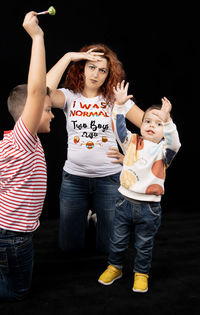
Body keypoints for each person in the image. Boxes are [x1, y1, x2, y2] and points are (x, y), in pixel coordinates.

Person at [47, 44, 144, 253]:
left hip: (109, 178)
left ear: (109, 75)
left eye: (102, 70)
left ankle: (97, 219)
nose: (96, 74)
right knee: (69, 249)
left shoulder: (114, 100)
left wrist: (130, 156)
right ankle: (91, 219)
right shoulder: (69, 96)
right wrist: (68, 56)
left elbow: (148, 125)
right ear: (81, 67)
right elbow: (42, 92)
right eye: (91, 67)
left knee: (109, 249)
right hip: (74, 178)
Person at [98, 81, 181, 292]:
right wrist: (118, 105)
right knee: (117, 241)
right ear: (141, 124)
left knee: (144, 246)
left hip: (149, 209)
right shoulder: (132, 142)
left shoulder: (164, 152)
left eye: (158, 123)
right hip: (124, 202)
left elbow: (175, 143)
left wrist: (168, 120)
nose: (152, 125)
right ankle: (115, 267)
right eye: (148, 121)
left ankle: (141, 273)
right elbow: (118, 128)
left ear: (164, 130)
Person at [0, 11, 54, 301]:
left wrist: (68, 57)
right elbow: (36, 92)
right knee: (17, 290)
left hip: (8, 232)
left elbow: (44, 89)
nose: (51, 113)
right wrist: (37, 37)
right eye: (47, 110)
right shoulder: (23, 140)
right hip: (13, 237)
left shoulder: (13, 142)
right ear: (28, 116)